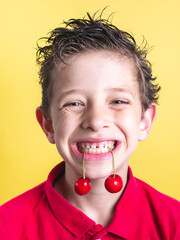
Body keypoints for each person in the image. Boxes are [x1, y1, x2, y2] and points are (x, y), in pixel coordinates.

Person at [0, 11, 180, 240]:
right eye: (74, 103)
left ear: (144, 121)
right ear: (48, 125)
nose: (95, 121)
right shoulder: (6, 227)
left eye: (118, 101)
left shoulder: (174, 224)